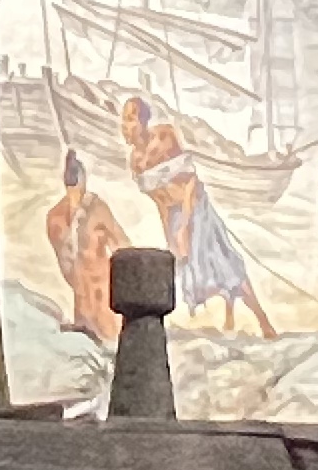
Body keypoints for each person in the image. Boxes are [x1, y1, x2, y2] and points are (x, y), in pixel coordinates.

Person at [127, 93, 272, 338]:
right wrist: (171, 238)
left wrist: (186, 225)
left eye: (130, 118)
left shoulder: (164, 136)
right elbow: (160, 202)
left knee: (224, 262)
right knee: (194, 271)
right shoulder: (136, 161)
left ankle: (263, 320)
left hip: (195, 207)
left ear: (143, 120)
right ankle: (228, 310)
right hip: (175, 215)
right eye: (124, 120)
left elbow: (190, 181)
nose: (125, 126)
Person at [45, 149, 128, 342]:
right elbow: (61, 254)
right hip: (82, 288)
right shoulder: (56, 216)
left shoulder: (97, 208)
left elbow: (120, 243)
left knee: (109, 335)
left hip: (102, 284)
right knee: (88, 335)